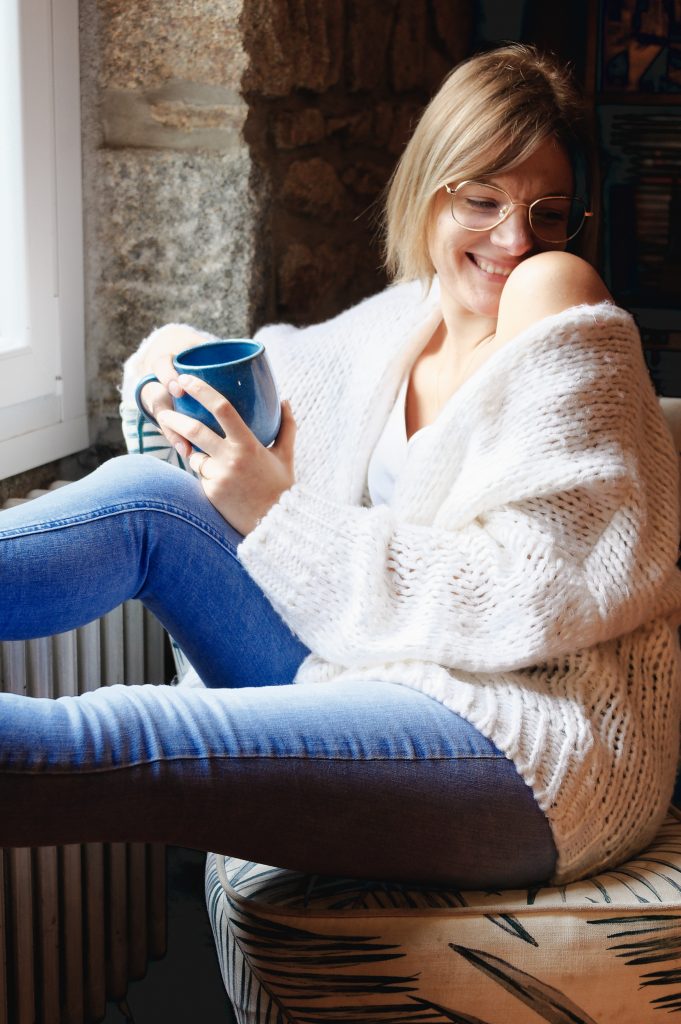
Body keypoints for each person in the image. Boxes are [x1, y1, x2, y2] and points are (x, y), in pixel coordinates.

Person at [1, 43, 680, 891]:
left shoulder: (555, 294)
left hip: (539, 739)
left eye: (548, 211)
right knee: (151, 500)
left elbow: (535, 593)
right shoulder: (403, 323)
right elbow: (246, 364)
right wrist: (173, 390)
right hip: (369, 672)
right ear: (427, 191)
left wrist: (278, 513)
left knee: (122, 734)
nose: (515, 239)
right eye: (481, 199)